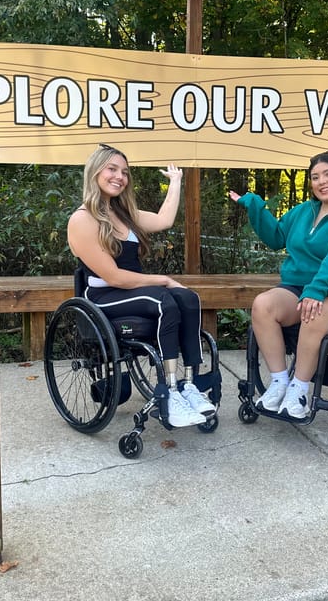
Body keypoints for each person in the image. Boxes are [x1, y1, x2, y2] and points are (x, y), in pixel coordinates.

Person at [67, 143, 216, 427]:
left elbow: (164, 219)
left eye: (124, 172)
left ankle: (188, 384)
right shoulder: (82, 219)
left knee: (188, 298)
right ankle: (169, 392)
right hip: (103, 295)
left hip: (132, 291)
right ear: (95, 171)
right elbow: (114, 277)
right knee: (164, 299)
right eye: (112, 169)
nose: (119, 176)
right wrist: (164, 279)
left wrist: (176, 181)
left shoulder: (124, 215)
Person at [229, 148, 328, 420]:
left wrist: (316, 292)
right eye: (315, 177)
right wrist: (254, 205)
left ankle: (299, 390)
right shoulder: (303, 211)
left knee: (315, 312)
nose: (321, 181)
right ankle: (279, 383)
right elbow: (276, 237)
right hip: (298, 288)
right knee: (263, 305)